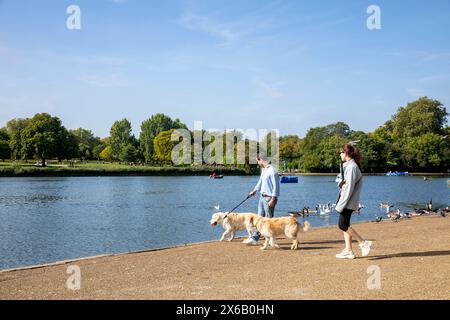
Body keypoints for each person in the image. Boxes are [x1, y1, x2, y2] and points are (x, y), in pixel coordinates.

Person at [335, 143, 372, 259]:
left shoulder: (351, 167)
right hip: (348, 200)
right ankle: (348, 250)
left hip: (348, 201)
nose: (340, 155)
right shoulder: (348, 166)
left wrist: (341, 204)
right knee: (346, 224)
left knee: (342, 225)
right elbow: (341, 180)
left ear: (346, 153)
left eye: (340, 152)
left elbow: (349, 188)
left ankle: (362, 242)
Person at [243, 154, 280, 245]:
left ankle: (270, 239)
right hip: (261, 197)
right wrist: (254, 190)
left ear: (261, 160)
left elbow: (276, 186)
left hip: (269, 198)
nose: (257, 162)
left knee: (269, 220)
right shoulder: (264, 170)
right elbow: (260, 181)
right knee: (259, 219)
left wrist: (273, 199)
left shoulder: (272, 171)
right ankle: (255, 238)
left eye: (257, 161)